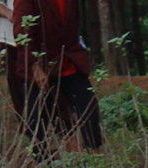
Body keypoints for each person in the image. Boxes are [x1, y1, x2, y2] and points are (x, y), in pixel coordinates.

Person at [9, 0, 104, 157]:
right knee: (37, 119)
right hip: (40, 64)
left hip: (70, 62)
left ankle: (95, 159)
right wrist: (35, 67)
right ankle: (41, 163)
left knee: (88, 107)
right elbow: (22, 31)